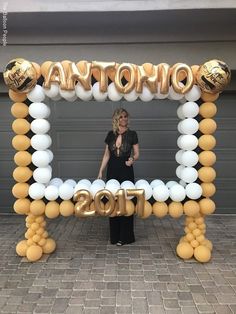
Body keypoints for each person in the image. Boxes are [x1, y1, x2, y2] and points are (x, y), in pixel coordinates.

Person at [98, 108, 139, 246]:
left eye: (126, 116)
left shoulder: (132, 134)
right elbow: (106, 155)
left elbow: (137, 153)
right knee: (113, 201)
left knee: (127, 201)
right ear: (116, 119)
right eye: (121, 117)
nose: (124, 119)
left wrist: (132, 160)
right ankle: (114, 236)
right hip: (112, 170)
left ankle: (126, 237)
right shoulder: (111, 135)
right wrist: (100, 172)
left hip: (126, 170)